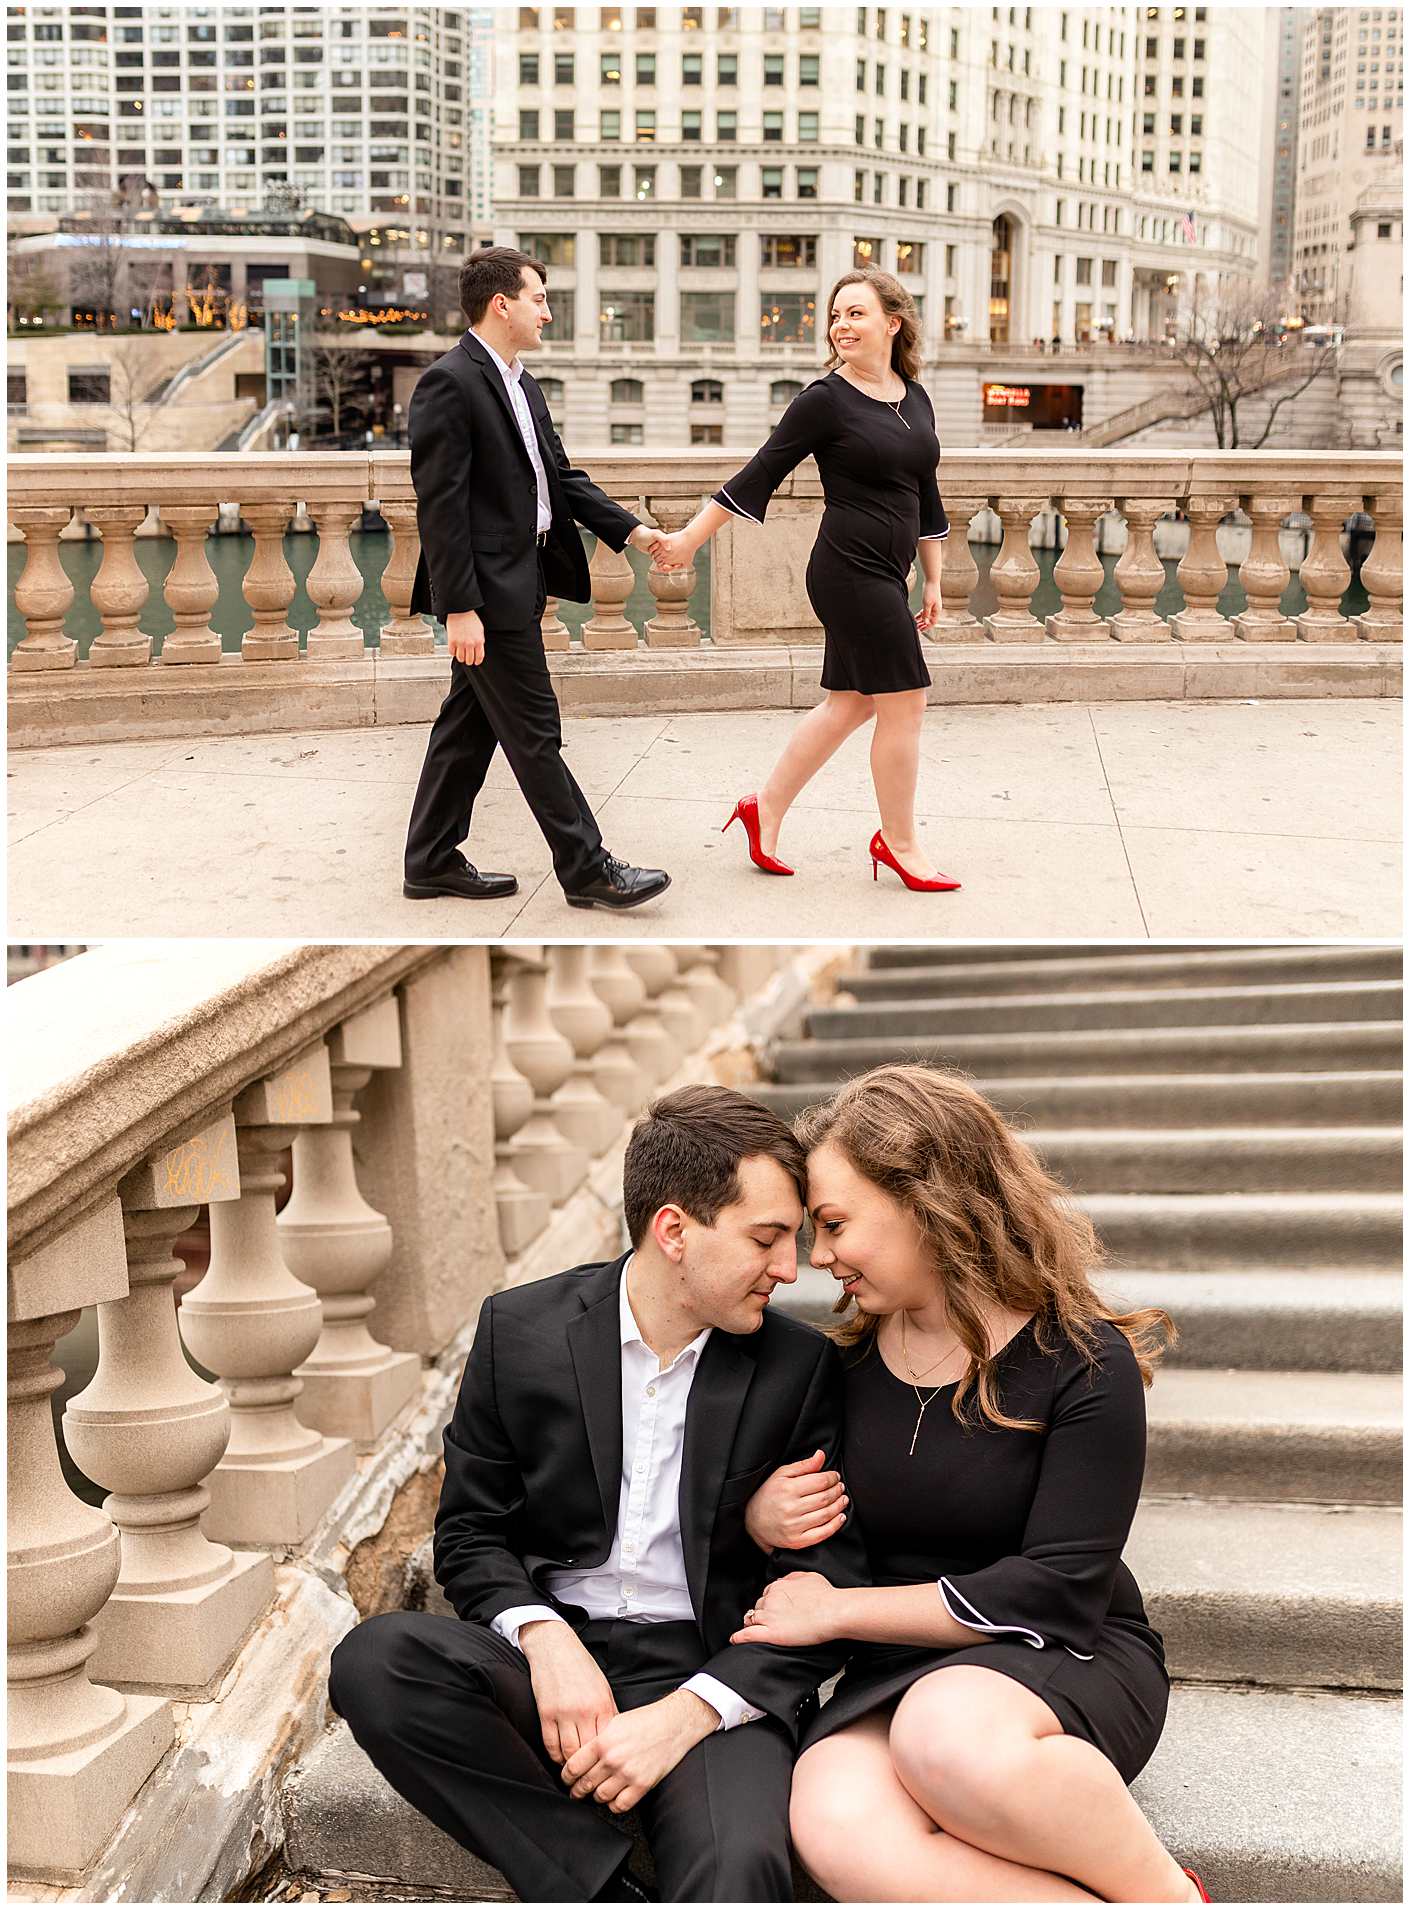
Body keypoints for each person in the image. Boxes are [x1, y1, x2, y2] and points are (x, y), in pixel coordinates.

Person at [329, 1085, 869, 1904]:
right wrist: (546, 1639)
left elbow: (827, 1584)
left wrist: (687, 1713)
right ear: (674, 1230)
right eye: (766, 1240)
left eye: (792, 1241)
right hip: (555, 1659)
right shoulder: (520, 1333)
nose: (791, 1270)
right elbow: (469, 1536)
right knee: (377, 1662)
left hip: (710, 1669)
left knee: (738, 1867)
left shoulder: (800, 1369)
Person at [736, 1064, 1210, 1905]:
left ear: (928, 1201)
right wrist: (758, 1515)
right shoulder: (833, 1368)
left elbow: (1058, 1587)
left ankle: (1165, 1894)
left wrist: (839, 1611)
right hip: (897, 1667)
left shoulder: (1082, 1360)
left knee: (944, 1734)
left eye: (835, 1224)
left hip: (1065, 1653)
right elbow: (788, 1542)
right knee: (830, 1820)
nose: (818, 1257)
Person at [652, 267, 960, 894]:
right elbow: (759, 471)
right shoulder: (825, 400)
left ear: (893, 323)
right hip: (847, 571)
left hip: (890, 573)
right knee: (906, 700)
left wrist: (933, 580)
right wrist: (687, 539)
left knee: (852, 702)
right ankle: (899, 843)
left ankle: (763, 809)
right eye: (836, 315)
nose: (841, 325)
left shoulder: (915, 396)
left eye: (856, 314)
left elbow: (925, 495)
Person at [402, 246, 670, 911]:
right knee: (534, 731)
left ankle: (430, 860)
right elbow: (440, 507)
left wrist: (634, 532)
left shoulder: (523, 385)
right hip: (487, 594)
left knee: (468, 728)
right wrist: (459, 607)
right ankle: (588, 869)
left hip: (521, 578)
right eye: (539, 299)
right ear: (502, 305)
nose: (547, 313)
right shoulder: (449, 383)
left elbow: (561, 480)